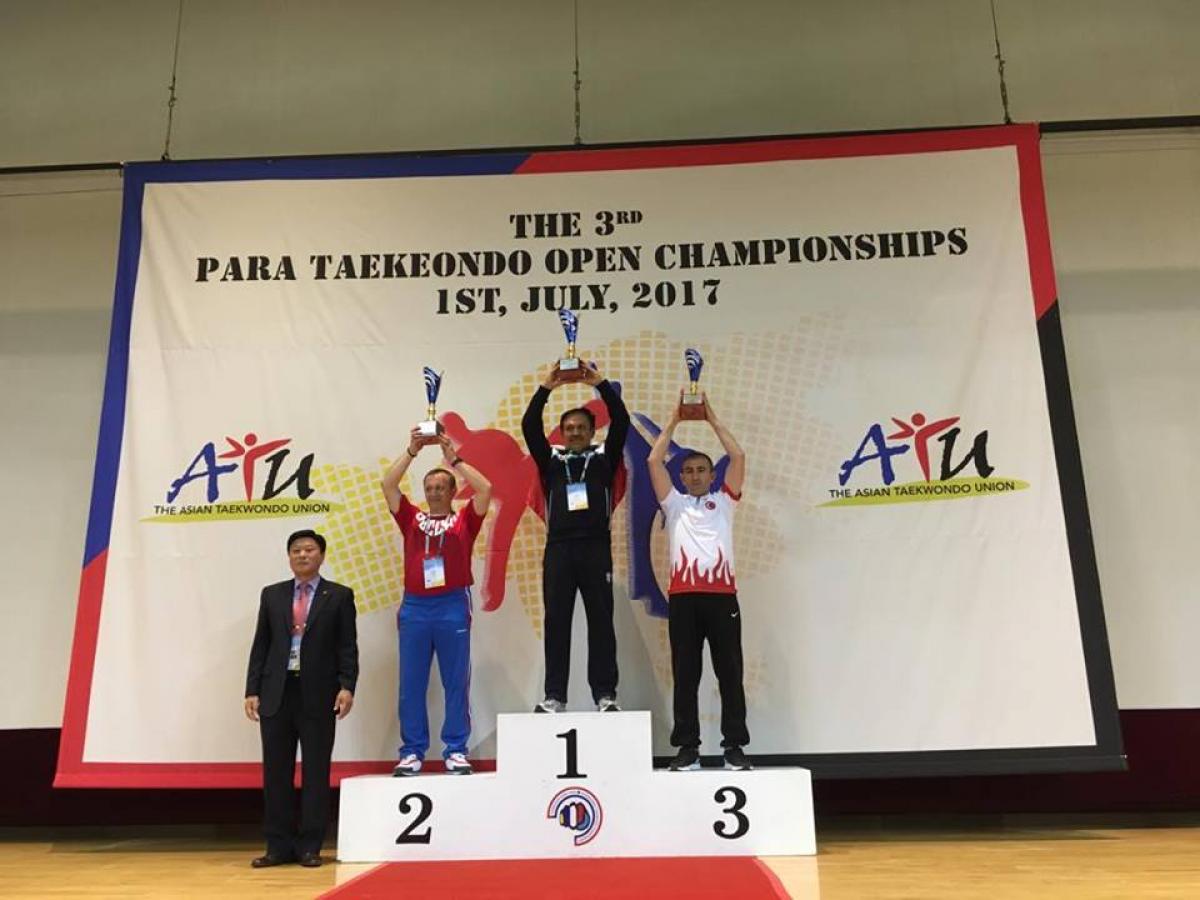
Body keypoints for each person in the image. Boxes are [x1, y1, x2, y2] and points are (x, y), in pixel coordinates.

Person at [647, 395, 751, 771]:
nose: (693, 475)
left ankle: (734, 746)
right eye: (688, 470)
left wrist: (711, 418)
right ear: (681, 477)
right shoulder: (673, 504)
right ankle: (687, 747)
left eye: (701, 470)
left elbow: (737, 457)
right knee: (686, 675)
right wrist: (673, 419)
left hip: (722, 599)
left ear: (712, 475)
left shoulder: (725, 502)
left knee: (730, 673)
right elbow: (652, 460)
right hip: (684, 601)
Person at [244, 529, 358, 868]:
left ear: (321, 555)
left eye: (309, 550)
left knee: (315, 771)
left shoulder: (338, 595)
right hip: (276, 692)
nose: (302, 555)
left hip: (319, 693)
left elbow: (347, 646)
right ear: (289, 556)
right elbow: (261, 644)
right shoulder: (273, 595)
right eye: (296, 550)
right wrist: (251, 690)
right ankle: (278, 846)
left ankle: (310, 846)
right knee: (276, 773)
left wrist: (347, 685)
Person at [382, 431, 492, 776]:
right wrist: (412, 450)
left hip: (452, 605)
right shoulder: (411, 518)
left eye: (441, 487)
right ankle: (412, 751)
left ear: (453, 490)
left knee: (455, 680)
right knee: (411, 683)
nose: (433, 493)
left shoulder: (464, 520)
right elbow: (388, 485)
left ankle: (456, 749)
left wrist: (454, 459)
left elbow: (486, 488)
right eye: (429, 488)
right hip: (415, 606)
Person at [522, 360, 629, 712]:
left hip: (596, 547)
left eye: (581, 427)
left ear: (591, 430)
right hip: (559, 550)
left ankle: (605, 695)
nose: (574, 433)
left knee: (601, 621)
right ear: (562, 432)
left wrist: (599, 384)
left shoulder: (604, 459)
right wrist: (547, 387)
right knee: (557, 623)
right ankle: (555, 696)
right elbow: (529, 426)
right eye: (568, 428)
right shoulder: (550, 460)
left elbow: (622, 421)